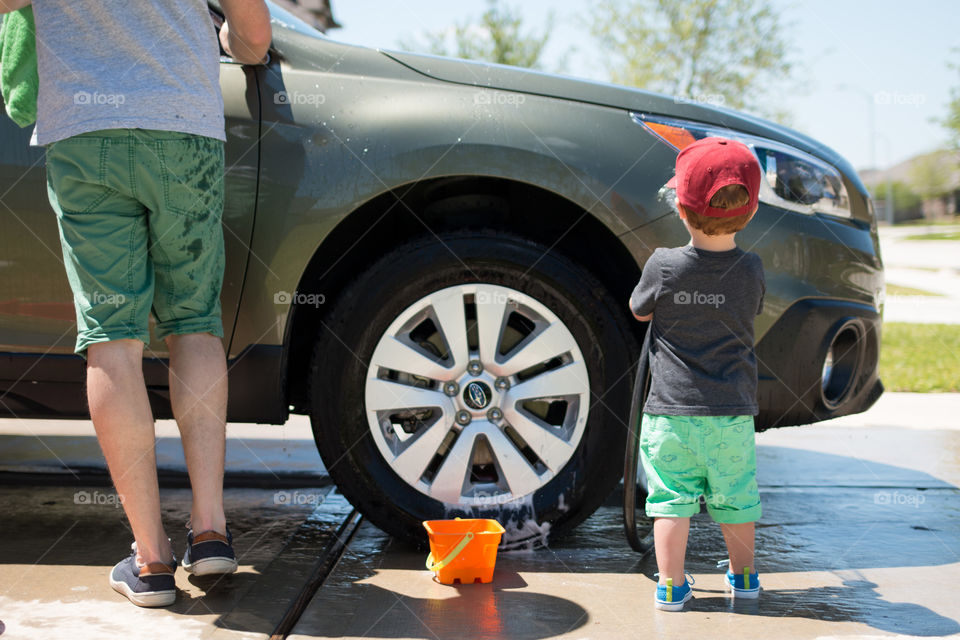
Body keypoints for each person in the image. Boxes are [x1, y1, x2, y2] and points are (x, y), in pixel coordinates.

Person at [0, 0, 271, 607]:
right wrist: (227, 38)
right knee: (195, 324)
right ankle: (210, 534)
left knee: (111, 338)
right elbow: (252, 35)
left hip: (84, 134)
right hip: (183, 127)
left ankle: (150, 563)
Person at [629, 137, 766, 612]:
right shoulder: (751, 268)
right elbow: (752, 308)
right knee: (736, 500)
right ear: (747, 213)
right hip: (731, 414)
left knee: (671, 503)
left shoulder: (664, 265)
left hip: (671, 414)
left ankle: (671, 586)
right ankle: (744, 578)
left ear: (682, 211)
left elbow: (638, 310)